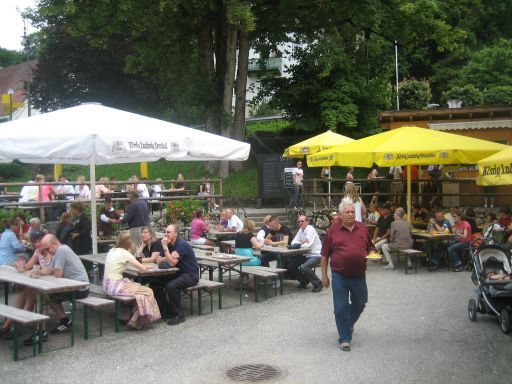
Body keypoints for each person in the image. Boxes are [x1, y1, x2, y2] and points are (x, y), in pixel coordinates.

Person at [321, 201, 376, 352]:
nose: (351, 214)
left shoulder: (362, 228)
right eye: (348, 212)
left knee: (361, 302)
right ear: (340, 215)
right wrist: (324, 275)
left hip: (358, 275)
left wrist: (372, 252)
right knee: (340, 308)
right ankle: (344, 338)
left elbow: (370, 246)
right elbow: (324, 255)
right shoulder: (333, 230)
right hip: (340, 275)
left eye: (353, 212)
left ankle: (348, 323)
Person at [103, 232, 161, 330]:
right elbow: (141, 268)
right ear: (129, 242)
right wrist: (145, 265)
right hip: (116, 286)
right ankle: (137, 320)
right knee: (148, 291)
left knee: (139, 294)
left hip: (107, 285)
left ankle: (130, 318)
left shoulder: (112, 250)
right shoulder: (125, 253)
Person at [0, 231, 50, 343]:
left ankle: (18, 325)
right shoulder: (38, 252)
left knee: (32, 291)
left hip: (51, 286)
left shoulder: (51, 251)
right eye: (34, 242)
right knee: (27, 291)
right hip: (41, 283)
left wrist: (36, 271)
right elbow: (28, 266)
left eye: (39, 241)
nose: (37, 244)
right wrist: (21, 265)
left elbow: (52, 271)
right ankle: (9, 325)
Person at [39, 234, 89, 335]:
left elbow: (58, 275)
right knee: (47, 294)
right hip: (76, 286)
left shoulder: (61, 250)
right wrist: (36, 271)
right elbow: (49, 269)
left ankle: (63, 322)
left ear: (54, 244)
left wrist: (49, 271)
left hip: (81, 288)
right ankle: (64, 321)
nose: (47, 252)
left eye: (47, 249)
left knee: (47, 295)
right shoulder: (59, 251)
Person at [162, 224, 199, 325]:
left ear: (176, 233)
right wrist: (168, 256)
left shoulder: (181, 244)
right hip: (177, 273)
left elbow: (172, 263)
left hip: (191, 274)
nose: (166, 234)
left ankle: (179, 314)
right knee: (156, 283)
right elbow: (159, 259)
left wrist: (165, 248)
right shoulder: (169, 244)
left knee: (171, 286)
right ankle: (167, 310)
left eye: (168, 232)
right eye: (165, 232)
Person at [292, 215, 323, 292]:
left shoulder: (311, 230)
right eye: (299, 221)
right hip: (306, 254)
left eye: (302, 221)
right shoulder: (301, 230)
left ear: (307, 222)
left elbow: (307, 245)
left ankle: (318, 284)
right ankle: (304, 282)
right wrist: (302, 242)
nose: (300, 223)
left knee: (304, 267)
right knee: (291, 266)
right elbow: (293, 242)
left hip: (316, 255)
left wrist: (299, 244)